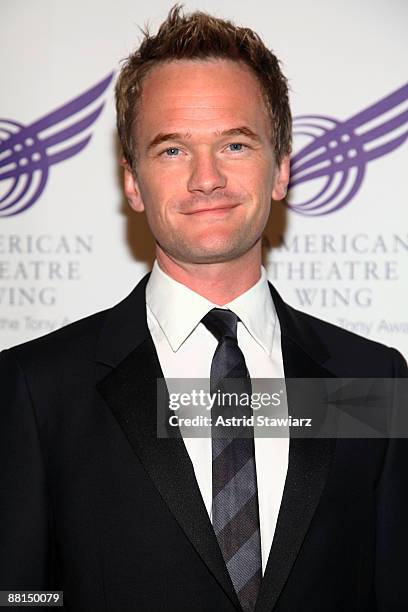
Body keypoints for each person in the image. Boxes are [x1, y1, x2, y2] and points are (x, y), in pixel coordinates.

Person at [1, 5, 407, 612]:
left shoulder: (371, 381)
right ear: (132, 182)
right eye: (171, 151)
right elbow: (19, 596)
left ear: (282, 170)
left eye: (236, 144)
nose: (206, 178)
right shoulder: (37, 389)